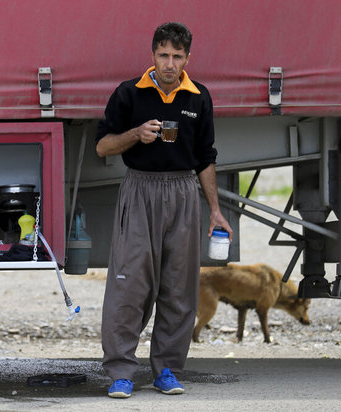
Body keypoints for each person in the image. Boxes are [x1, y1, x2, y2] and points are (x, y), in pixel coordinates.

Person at [95, 22, 233, 398]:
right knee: (129, 284)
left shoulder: (198, 97)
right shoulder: (129, 93)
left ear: (187, 58)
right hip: (140, 189)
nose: (169, 64)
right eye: (163, 55)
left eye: (176, 56)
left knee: (179, 287)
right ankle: (121, 371)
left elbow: (206, 158)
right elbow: (103, 147)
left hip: (184, 191)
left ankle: (167, 369)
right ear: (152, 55)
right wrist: (135, 134)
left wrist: (216, 211)